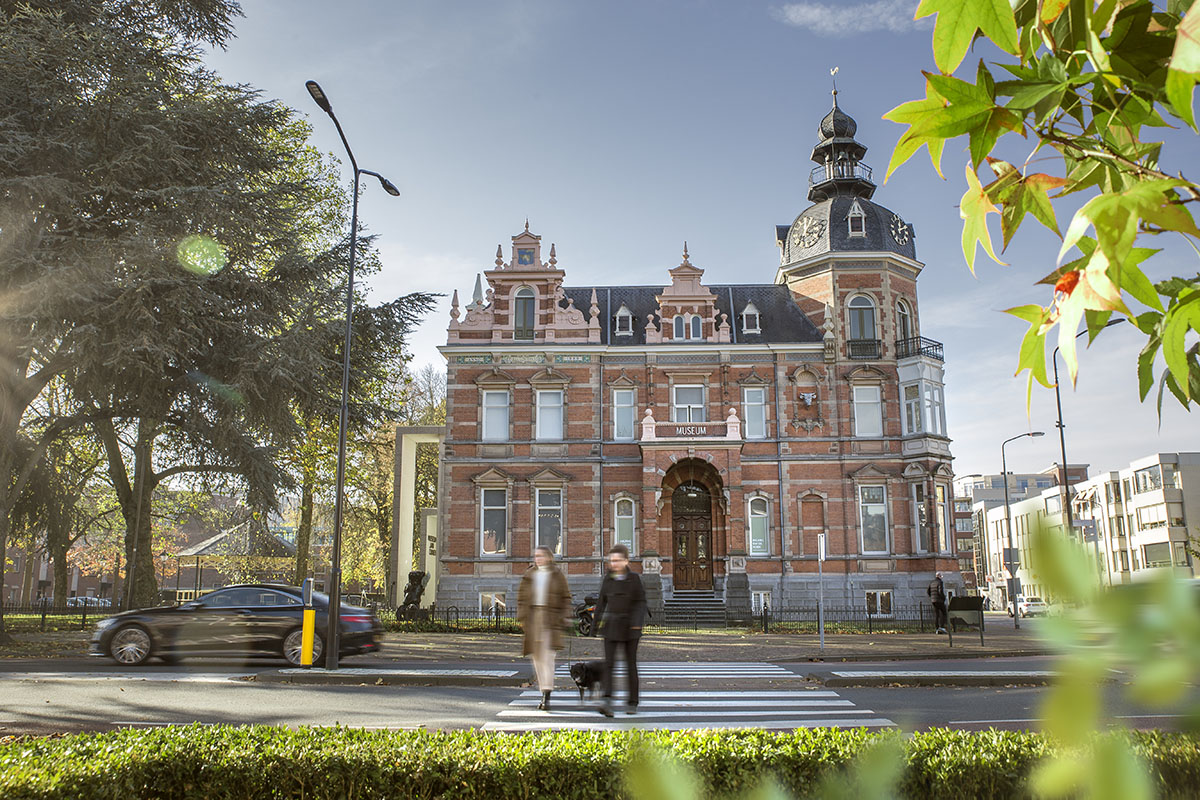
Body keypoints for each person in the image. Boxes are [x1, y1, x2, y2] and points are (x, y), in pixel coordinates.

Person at [516, 546, 572, 711]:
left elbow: (565, 597)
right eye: (535, 556)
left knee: (548, 658)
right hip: (534, 619)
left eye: (540, 556)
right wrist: (522, 618)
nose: (537, 559)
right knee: (537, 658)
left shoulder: (556, 574)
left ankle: (547, 694)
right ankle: (543, 689)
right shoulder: (530, 574)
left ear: (548, 557)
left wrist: (564, 617)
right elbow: (521, 598)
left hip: (550, 619)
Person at [594, 543, 647, 716]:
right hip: (612, 627)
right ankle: (607, 700)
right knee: (609, 664)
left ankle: (632, 702)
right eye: (612, 561)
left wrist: (637, 622)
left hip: (631, 628)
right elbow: (602, 602)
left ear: (626, 561)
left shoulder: (634, 579)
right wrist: (595, 626)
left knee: (630, 664)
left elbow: (641, 602)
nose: (614, 564)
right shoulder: (608, 579)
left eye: (617, 561)